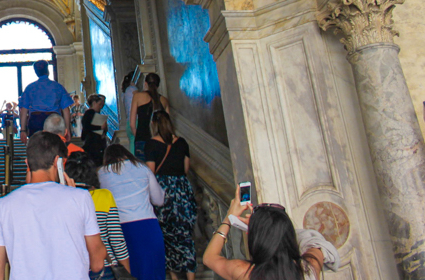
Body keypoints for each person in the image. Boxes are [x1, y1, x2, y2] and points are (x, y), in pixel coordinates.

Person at [0, 132, 107, 280]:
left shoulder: (1, 207)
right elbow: (97, 263)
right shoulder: (80, 198)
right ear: (58, 162)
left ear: (27, 163)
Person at [203, 190, 339, 280]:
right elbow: (316, 243)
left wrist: (229, 218)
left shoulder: (244, 272)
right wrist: (270, 231)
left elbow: (210, 258)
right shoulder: (309, 269)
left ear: (258, 240)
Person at [98, 144, 167, 280]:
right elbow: (159, 200)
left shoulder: (101, 173)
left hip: (119, 228)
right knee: (152, 272)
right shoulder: (142, 168)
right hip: (147, 226)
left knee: (129, 273)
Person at [145, 110, 197, 280]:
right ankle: (191, 276)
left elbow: (151, 172)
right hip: (182, 190)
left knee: (166, 235)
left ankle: (174, 277)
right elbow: (186, 169)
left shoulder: (151, 144)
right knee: (186, 235)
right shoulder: (182, 142)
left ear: (154, 124)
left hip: (163, 191)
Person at [65, 152, 132, 280]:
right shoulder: (105, 196)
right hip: (104, 267)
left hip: (74, 268)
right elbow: (117, 240)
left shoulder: (63, 198)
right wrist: (126, 271)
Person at [19, 60, 73, 144]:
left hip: (36, 121)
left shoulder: (30, 88)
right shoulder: (58, 87)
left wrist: (23, 130)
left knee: (37, 148)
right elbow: (66, 110)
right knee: (55, 147)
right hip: (54, 121)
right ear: (48, 71)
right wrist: (67, 129)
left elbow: (23, 110)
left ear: (36, 72)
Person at [129, 72, 168, 161]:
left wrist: (138, 136)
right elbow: (167, 126)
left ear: (145, 83)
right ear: (158, 85)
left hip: (142, 139)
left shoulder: (138, 96)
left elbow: (132, 124)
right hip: (159, 140)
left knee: (143, 172)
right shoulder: (164, 100)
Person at [81, 94, 108, 166]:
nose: (101, 107)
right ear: (94, 103)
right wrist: (101, 128)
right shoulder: (90, 113)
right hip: (93, 143)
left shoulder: (93, 113)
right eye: (99, 104)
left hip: (95, 142)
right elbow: (87, 127)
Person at [121, 72, 139, 153]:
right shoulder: (133, 89)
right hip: (136, 121)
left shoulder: (124, 93)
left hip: (128, 123)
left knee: (132, 147)